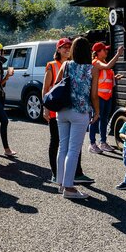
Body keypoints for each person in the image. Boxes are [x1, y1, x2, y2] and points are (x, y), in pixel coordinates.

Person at [54, 36, 100, 200]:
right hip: (80, 112)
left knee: (63, 147)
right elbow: (94, 95)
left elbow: (56, 84)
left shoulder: (66, 65)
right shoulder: (93, 69)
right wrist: (97, 112)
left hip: (62, 110)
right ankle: (69, 187)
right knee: (74, 150)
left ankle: (61, 182)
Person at [43, 38, 93, 185]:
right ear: (58, 49)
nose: (66, 49)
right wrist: (46, 108)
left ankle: (70, 176)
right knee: (58, 143)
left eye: (69, 46)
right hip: (57, 108)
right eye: (63, 47)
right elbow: (47, 89)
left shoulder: (67, 65)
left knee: (67, 146)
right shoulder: (52, 65)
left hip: (63, 110)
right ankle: (57, 176)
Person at [88, 41, 124, 153]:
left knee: (104, 120)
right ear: (98, 52)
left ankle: (103, 143)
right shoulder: (95, 62)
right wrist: (118, 54)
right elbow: (108, 66)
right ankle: (92, 144)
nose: (106, 51)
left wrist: (115, 79)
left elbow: (104, 79)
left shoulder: (103, 62)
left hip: (107, 96)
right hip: (98, 96)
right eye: (104, 49)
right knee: (95, 119)